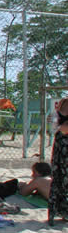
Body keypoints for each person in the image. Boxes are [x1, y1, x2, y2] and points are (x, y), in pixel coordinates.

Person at [48, 96, 68, 226]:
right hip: (62, 146)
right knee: (58, 177)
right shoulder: (57, 111)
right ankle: (56, 212)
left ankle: (62, 212)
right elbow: (55, 127)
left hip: (62, 144)